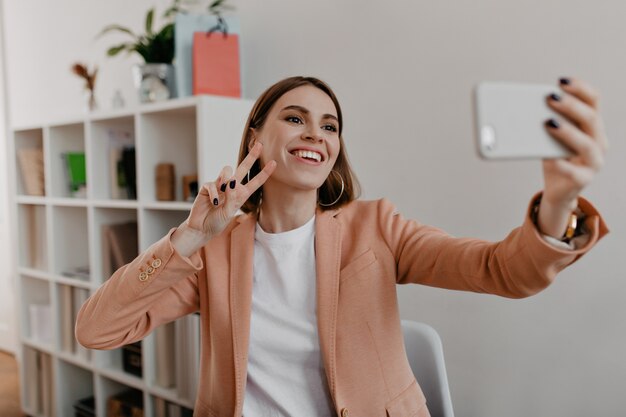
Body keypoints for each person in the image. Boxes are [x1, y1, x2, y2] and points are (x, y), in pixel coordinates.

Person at [76, 76, 609, 417]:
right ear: (256, 138)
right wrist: (190, 237)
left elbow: (501, 271)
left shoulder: (376, 227)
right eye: (295, 118)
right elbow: (97, 330)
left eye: (329, 125)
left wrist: (558, 202)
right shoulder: (212, 253)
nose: (316, 134)